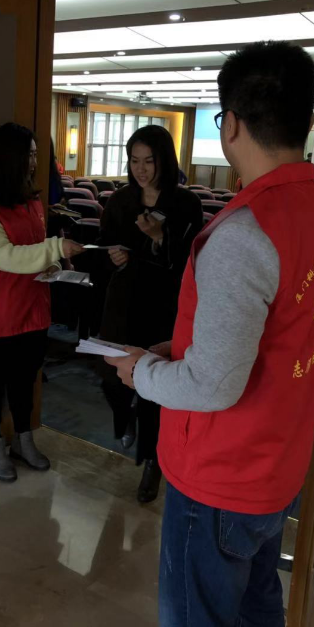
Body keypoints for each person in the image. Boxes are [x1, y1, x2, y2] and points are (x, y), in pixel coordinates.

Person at [106, 41, 314, 626]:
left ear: (231, 124)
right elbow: (280, 333)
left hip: (221, 476)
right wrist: (179, 349)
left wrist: (141, 371)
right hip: (276, 461)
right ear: (306, 121)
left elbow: (213, 385)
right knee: (259, 607)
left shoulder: (243, 233)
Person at [0, 122, 84, 482]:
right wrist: (55, 248)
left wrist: (56, 263)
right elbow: (3, 256)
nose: (33, 163)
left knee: (25, 379)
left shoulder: (32, 199)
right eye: (28, 155)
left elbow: (35, 248)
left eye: (35, 155)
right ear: (7, 158)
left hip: (34, 307)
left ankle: (23, 438)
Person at [97, 125, 203, 503]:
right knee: (111, 377)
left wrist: (160, 239)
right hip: (123, 301)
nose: (140, 170)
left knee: (154, 387)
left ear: (164, 161)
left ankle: (152, 463)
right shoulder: (120, 201)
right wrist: (112, 257)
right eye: (134, 161)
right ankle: (124, 416)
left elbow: (191, 264)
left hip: (162, 305)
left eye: (148, 161)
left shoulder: (184, 203)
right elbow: (103, 248)